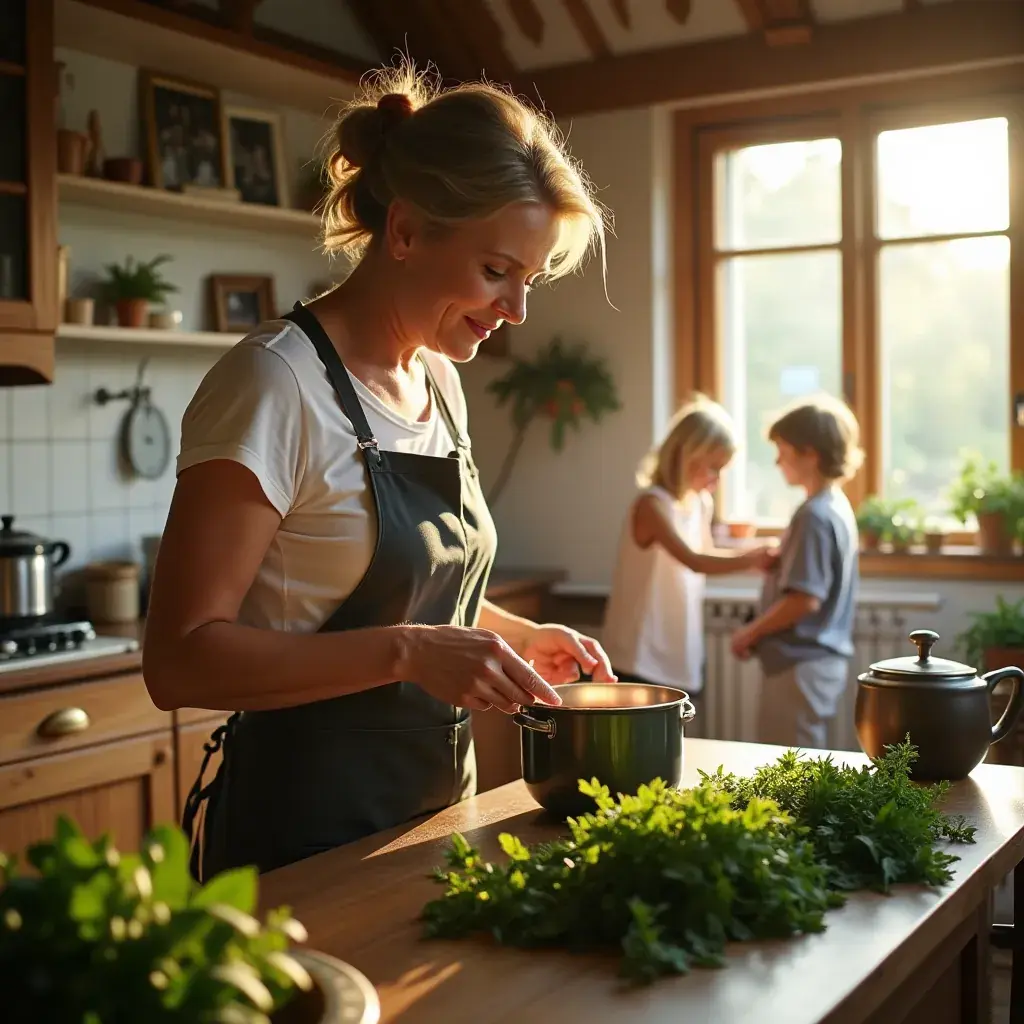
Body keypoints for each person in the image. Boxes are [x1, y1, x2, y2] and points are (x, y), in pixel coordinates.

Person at [142, 64, 617, 880]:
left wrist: (514, 637)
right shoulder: (273, 382)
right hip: (300, 840)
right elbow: (179, 661)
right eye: (496, 270)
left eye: (529, 280)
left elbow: (410, 597)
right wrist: (406, 651)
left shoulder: (440, 381)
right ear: (404, 233)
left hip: (436, 821)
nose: (517, 310)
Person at [601, 395, 776, 704]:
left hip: (678, 645)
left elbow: (708, 551)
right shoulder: (652, 505)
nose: (717, 479)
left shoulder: (698, 503)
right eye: (713, 468)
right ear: (685, 455)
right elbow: (694, 560)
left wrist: (752, 552)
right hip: (640, 652)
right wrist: (750, 559)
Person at [730, 394, 863, 750]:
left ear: (810, 453)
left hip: (800, 666)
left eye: (783, 450)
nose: (777, 460)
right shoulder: (834, 506)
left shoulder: (813, 515)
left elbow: (805, 600)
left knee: (787, 769)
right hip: (817, 664)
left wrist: (749, 633)